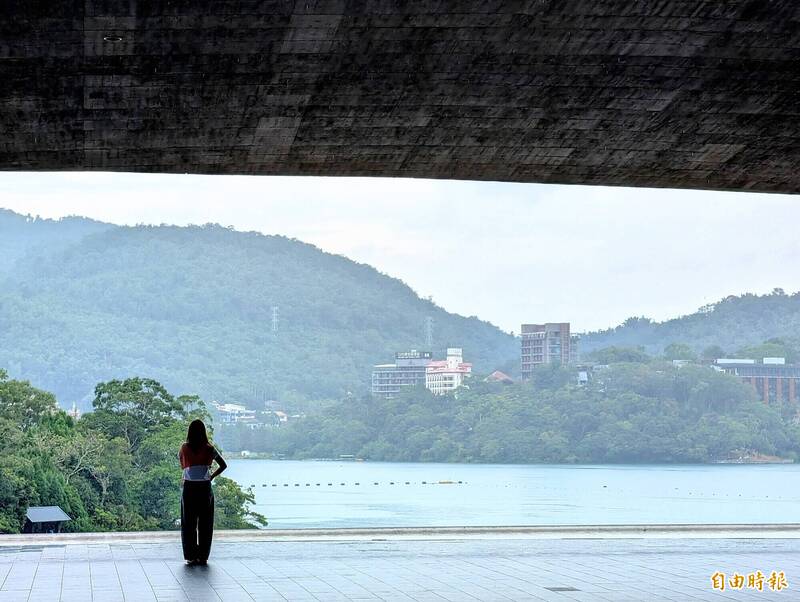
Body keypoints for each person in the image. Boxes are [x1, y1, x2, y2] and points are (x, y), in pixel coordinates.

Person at [179, 419, 227, 566]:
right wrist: (211, 476)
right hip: (205, 488)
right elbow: (223, 465)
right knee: (205, 524)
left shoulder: (184, 448)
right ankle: (203, 556)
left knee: (188, 524)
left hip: (189, 488)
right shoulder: (209, 448)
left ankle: (190, 556)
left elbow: (183, 465)